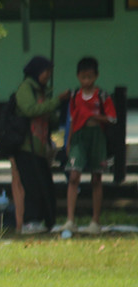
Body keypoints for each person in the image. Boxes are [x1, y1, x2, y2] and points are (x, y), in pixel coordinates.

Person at [53, 56, 117, 236]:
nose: (86, 81)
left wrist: (92, 117)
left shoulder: (102, 96)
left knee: (97, 178)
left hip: (97, 137)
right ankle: (70, 220)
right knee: (74, 176)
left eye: (90, 77)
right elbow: (73, 120)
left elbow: (112, 118)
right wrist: (69, 141)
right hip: (79, 137)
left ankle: (95, 221)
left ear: (96, 76)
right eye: (83, 77)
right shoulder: (75, 96)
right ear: (78, 77)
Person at [12, 55, 70, 235]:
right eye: (46, 72)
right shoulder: (26, 88)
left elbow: (49, 117)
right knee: (32, 186)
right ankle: (30, 222)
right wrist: (56, 101)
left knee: (45, 185)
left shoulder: (42, 91)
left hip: (40, 148)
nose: (48, 76)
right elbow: (30, 110)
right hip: (26, 147)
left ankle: (46, 221)